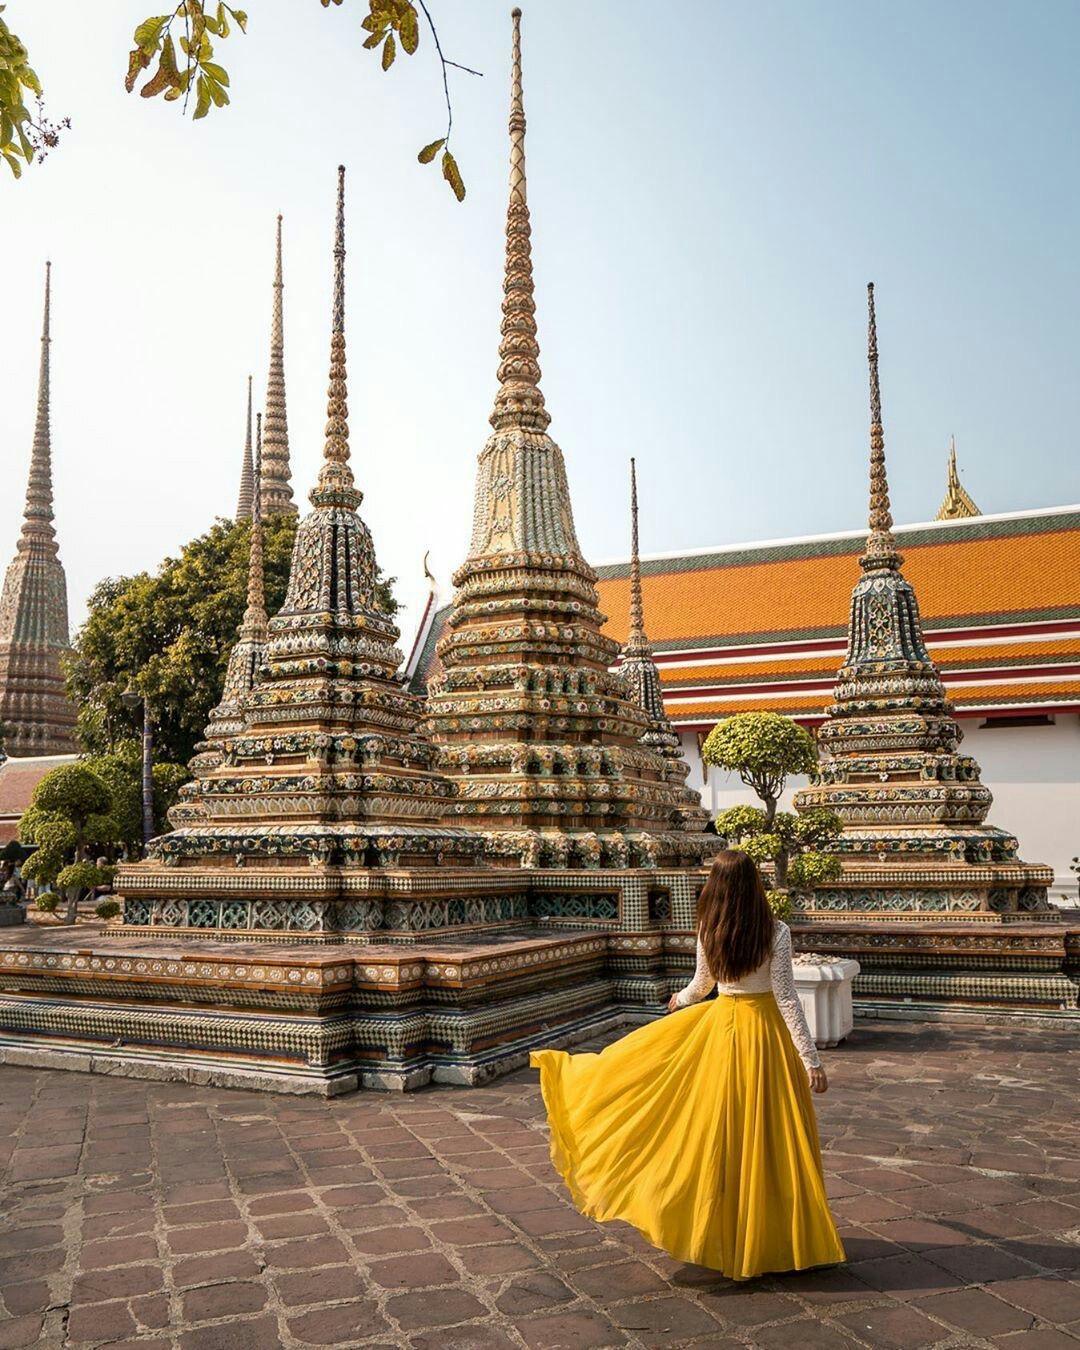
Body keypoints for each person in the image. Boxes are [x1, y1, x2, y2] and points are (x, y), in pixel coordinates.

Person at [530, 849, 845, 1280]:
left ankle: (722, 1231)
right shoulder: (775, 931)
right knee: (770, 1139)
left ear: (714, 886)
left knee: (719, 1137)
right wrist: (810, 1059)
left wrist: (679, 1000)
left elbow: (702, 985)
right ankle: (774, 1235)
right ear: (754, 885)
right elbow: (786, 997)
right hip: (765, 1036)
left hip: (721, 1031)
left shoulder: (708, 929)